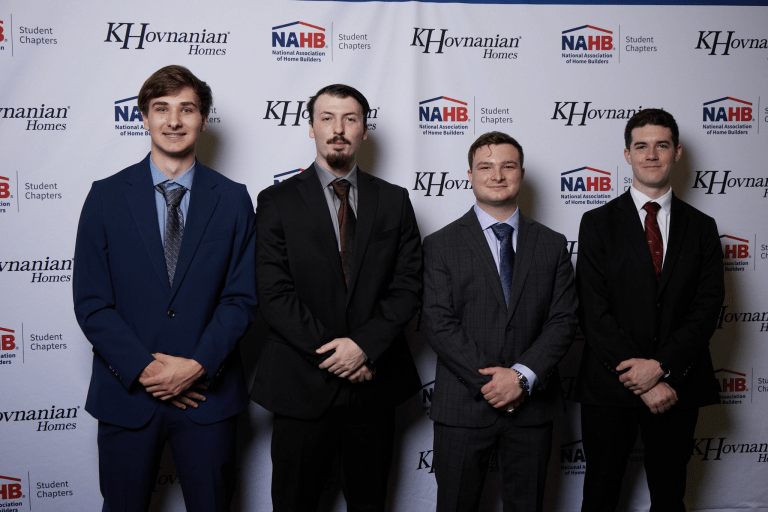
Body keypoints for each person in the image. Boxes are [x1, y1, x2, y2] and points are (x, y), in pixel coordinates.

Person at [73, 65, 257, 512]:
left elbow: (241, 298)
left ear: (203, 118)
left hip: (207, 398)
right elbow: (92, 303)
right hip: (128, 395)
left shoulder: (233, 198)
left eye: (186, 109)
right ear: (144, 117)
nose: (174, 120)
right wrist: (148, 371)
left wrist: (196, 366)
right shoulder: (105, 196)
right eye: (161, 109)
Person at [250, 84, 423, 511]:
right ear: (311, 128)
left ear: (365, 130)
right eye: (327, 118)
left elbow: (408, 286)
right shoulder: (276, 201)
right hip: (301, 385)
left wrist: (363, 348)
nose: (338, 129)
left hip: (374, 385)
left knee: (369, 504)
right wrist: (337, 354)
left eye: (350, 119)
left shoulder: (394, 200)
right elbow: (274, 293)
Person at [575, 108, 725, 511]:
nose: (652, 155)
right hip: (610, 386)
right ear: (628, 155)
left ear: (677, 153)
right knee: (601, 495)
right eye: (641, 146)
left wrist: (662, 367)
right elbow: (593, 310)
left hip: (678, 385)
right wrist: (640, 376)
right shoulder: (596, 223)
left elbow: (707, 309)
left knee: (670, 496)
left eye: (662, 145)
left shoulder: (703, 227)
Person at [422, 131, 578, 512]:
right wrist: (493, 382)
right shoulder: (439, 244)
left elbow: (563, 320)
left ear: (521, 174)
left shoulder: (553, 243)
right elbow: (438, 322)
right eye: (485, 167)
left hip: (532, 409)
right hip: (463, 406)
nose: (497, 175)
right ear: (470, 176)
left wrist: (521, 376)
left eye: (507, 166)